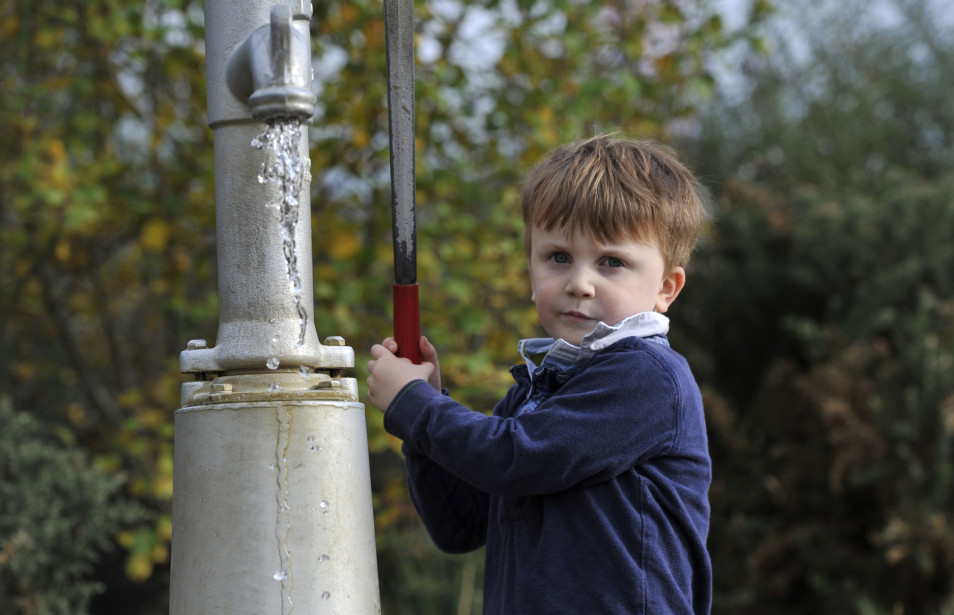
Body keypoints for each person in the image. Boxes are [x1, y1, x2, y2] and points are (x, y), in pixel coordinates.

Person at [367, 134, 712, 614]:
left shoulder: (647, 377)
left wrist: (417, 408)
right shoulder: (539, 391)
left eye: (611, 262)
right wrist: (423, 418)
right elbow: (458, 528)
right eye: (558, 257)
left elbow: (514, 458)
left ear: (666, 288)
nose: (579, 284)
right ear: (531, 270)